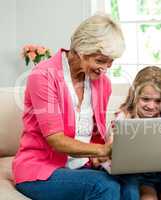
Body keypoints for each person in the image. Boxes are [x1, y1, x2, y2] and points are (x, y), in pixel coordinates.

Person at [12, 13, 127, 200]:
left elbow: (96, 134)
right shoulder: (43, 76)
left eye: (110, 61)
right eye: (100, 60)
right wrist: (103, 150)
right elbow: (56, 140)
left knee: (130, 182)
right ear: (81, 51)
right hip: (41, 170)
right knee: (104, 186)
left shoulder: (102, 83)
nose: (106, 68)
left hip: (82, 167)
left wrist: (109, 149)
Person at [109, 66, 161, 200]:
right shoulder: (124, 117)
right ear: (135, 96)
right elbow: (111, 146)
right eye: (145, 99)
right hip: (138, 175)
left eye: (158, 101)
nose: (151, 106)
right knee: (148, 197)